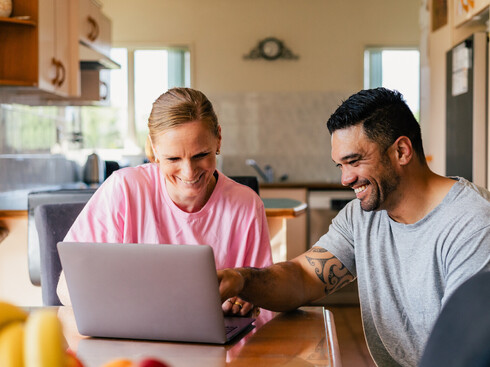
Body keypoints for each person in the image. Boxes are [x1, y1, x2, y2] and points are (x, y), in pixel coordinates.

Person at [218, 87, 490, 366]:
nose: (346, 179)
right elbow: (302, 277)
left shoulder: (473, 224)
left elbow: (462, 352)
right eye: (340, 165)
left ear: (401, 151)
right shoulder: (361, 217)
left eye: (354, 161)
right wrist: (242, 280)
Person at [57, 87, 273, 313]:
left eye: (201, 155)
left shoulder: (246, 204)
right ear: (154, 148)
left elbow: (263, 301)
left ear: (218, 138)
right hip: (131, 339)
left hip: (219, 342)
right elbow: (67, 288)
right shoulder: (123, 189)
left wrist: (249, 300)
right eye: (173, 158)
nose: (189, 173)